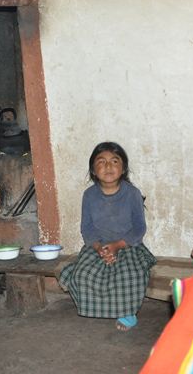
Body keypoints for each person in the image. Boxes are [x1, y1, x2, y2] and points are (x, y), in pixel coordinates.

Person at [59, 142, 156, 332]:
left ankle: (127, 312)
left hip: (128, 245)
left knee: (131, 275)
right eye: (101, 162)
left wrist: (117, 246)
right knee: (83, 274)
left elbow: (139, 228)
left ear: (123, 168)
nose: (108, 166)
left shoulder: (132, 194)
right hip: (98, 246)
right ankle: (101, 307)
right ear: (94, 170)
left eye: (114, 161)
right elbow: (86, 228)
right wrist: (99, 248)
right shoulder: (89, 195)